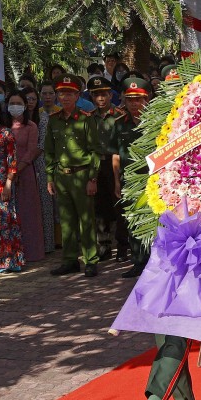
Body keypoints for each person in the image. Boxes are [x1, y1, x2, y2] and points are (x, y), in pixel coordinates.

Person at [44, 75, 101, 277]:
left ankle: (91, 260)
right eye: (61, 93)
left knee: (86, 220)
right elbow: (49, 151)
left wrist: (92, 178)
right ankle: (69, 260)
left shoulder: (86, 118)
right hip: (62, 176)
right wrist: (50, 178)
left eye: (69, 93)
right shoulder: (53, 121)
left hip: (82, 175)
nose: (64, 97)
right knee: (66, 220)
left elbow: (95, 151)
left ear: (77, 95)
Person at [111, 78, 152, 277]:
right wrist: (117, 181)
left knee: (153, 221)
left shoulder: (156, 123)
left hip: (151, 180)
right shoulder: (119, 124)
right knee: (133, 221)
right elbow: (116, 155)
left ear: (146, 99)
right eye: (130, 100)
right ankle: (138, 261)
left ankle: (154, 261)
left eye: (138, 99)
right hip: (129, 179)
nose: (134, 103)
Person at [7, 90, 45, 263]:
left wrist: (16, 170)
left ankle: (31, 252)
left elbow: (31, 152)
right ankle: (10, 254)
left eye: (18, 103)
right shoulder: (3, 127)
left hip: (25, 173)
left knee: (28, 212)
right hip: (4, 174)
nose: (15, 107)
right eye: (12, 103)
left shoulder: (31, 126)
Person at [0, 96, 25, 272]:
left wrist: (9, 184)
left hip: (2, 184)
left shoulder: (6, 133)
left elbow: (12, 160)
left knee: (4, 222)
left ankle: (7, 261)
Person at [89, 76, 121, 261]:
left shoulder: (118, 115)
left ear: (110, 95)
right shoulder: (89, 117)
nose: (100, 98)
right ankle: (104, 245)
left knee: (117, 203)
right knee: (100, 207)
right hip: (96, 163)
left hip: (114, 162)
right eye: (96, 95)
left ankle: (122, 245)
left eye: (104, 94)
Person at [23, 87, 55, 253]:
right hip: (22, 166)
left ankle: (47, 244)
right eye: (27, 99)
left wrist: (26, 160)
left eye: (33, 99)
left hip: (40, 163)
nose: (30, 102)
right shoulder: (16, 120)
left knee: (44, 204)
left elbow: (41, 145)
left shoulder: (43, 117)